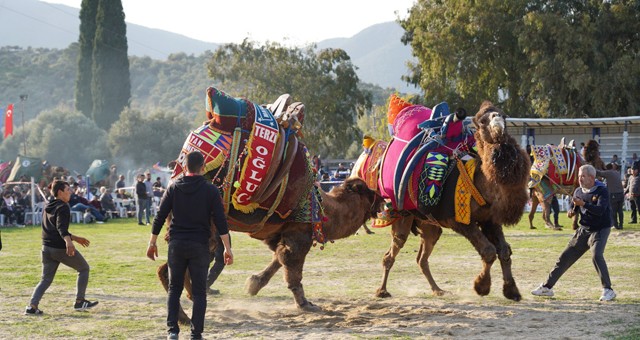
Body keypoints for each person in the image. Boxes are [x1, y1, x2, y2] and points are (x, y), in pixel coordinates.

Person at [146, 151, 233, 340]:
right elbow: (220, 221)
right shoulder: (211, 191)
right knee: (200, 293)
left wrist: (152, 243)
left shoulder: (174, 187)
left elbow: (160, 217)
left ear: (185, 167)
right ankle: (196, 334)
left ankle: (172, 332)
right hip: (199, 246)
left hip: (176, 245)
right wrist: (227, 248)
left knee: (174, 289)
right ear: (203, 167)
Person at [531, 165, 616, 301]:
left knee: (596, 255)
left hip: (600, 229)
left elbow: (600, 210)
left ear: (592, 177)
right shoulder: (578, 191)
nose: (580, 179)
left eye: (583, 176)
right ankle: (547, 287)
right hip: (583, 229)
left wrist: (583, 204)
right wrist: (572, 211)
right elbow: (574, 207)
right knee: (564, 257)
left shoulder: (602, 190)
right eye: (579, 176)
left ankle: (608, 290)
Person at [25, 180, 98, 315]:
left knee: (45, 279)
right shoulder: (63, 206)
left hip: (46, 248)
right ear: (60, 192)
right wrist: (69, 242)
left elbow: (54, 229)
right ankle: (79, 301)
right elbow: (61, 228)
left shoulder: (48, 206)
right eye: (67, 190)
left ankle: (32, 306)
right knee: (84, 268)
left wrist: (75, 238)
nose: (70, 192)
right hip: (59, 248)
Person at [597, 163, 624, 229]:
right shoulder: (617, 172)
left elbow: (599, 173)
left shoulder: (608, 173)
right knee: (620, 210)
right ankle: (621, 225)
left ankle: (615, 225)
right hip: (621, 193)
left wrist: (590, 167)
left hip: (614, 194)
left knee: (613, 210)